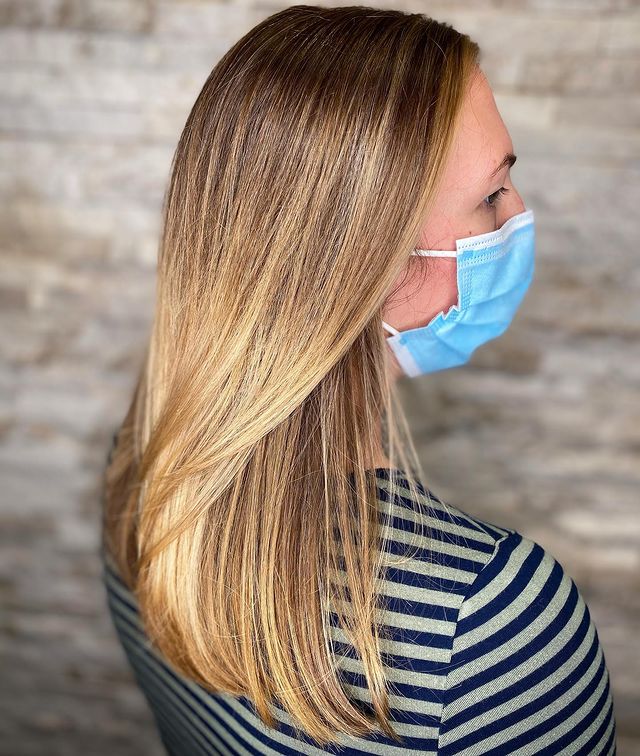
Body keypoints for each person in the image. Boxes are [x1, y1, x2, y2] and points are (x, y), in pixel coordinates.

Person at [100, 5, 617, 754]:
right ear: (370, 269)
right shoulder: (487, 624)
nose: (521, 216)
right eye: (492, 197)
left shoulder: (144, 458)